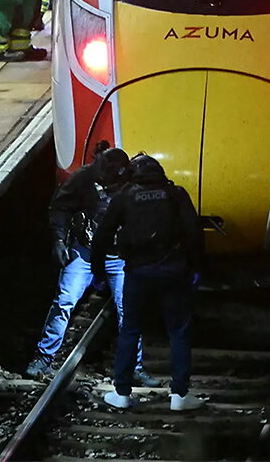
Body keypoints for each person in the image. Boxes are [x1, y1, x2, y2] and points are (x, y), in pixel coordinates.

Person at [25, 145, 158, 387]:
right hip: (85, 251)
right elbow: (60, 207)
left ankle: (133, 368)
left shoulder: (136, 185)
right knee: (64, 301)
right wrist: (59, 240)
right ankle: (43, 358)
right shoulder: (84, 177)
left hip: (119, 256)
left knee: (128, 311)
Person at [93, 154, 206, 411]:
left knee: (130, 330)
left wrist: (98, 273)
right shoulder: (176, 194)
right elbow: (194, 233)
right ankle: (179, 395)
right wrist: (196, 268)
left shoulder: (124, 196)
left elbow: (103, 235)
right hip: (173, 272)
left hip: (138, 273)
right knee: (178, 331)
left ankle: (122, 393)